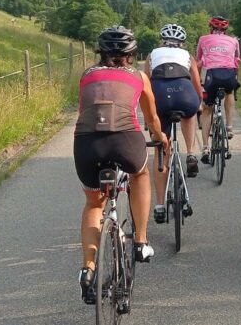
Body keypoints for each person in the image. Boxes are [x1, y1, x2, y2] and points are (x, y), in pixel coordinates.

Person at [74, 26, 169, 304]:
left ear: (100, 52)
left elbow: (83, 110)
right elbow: (151, 118)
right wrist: (160, 137)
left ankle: (88, 269)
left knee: (94, 204)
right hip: (125, 139)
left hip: (87, 141)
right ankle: (141, 242)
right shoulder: (139, 76)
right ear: (131, 54)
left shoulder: (87, 74)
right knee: (140, 174)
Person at [145, 24, 205, 222]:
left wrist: (149, 117)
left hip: (161, 97)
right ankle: (191, 153)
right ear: (182, 43)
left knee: (161, 150)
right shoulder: (188, 56)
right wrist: (198, 104)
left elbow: (146, 85)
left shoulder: (152, 55)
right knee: (190, 112)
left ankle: (160, 206)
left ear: (162, 41)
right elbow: (197, 85)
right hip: (185, 94)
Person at [196, 16, 241, 165]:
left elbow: (198, 62)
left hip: (212, 76)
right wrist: (236, 79)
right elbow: (236, 62)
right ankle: (229, 127)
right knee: (229, 92)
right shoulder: (234, 41)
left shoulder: (203, 39)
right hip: (229, 75)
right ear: (226, 30)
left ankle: (205, 148)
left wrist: (198, 81)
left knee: (207, 110)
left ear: (211, 28)